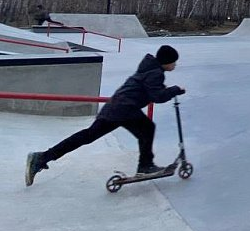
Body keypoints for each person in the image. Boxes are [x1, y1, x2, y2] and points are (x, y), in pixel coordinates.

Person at [25, 45, 185, 186]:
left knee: (88, 136)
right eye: (173, 62)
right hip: (125, 109)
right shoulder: (155, 73)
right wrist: (175, 90)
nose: (175, 65)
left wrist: (166, 90)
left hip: (115, 108)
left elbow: (151, 91)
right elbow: (157, 96)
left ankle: (42, 157)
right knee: (147, 128)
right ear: (166, 61)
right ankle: (145, 166)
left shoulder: (149, 69)